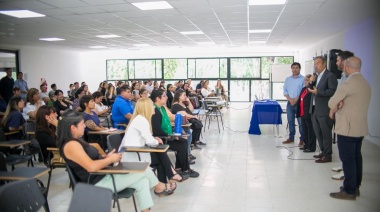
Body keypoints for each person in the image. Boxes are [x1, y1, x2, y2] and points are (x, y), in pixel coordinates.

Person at [58, 110, 175, 212]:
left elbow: (88, 161)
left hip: (104, 176)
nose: (84, 126)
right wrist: (111, 159)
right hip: (97, 184)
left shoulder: (76, 142)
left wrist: (105, 158)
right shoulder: (71, 145)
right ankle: (159, 186)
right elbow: (91, 167)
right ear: (72, 128)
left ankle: (147, 207)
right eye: (82, 124)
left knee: (143, 181)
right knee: (143, 171)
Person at [328, 56, 370, 200]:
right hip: (360, 127)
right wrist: (342, 102)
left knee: (348, 159)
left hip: (347, 127)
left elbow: (332, 102)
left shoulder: (348, 83)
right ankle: (355, 186)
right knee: (356, 157)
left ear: (346, 67)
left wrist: (337, 104)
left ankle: (349, 191)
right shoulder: (365, 83)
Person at [119, 98, 188, 183]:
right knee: (160, 154)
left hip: (137, 152)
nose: (154, 107)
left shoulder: (140, 119)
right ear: (147, 108)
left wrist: (155, 138)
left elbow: (147, 138)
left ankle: (167, 179)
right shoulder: (141, 120)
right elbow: (150, 141)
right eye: (152, 106)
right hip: (134, 154)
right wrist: (156, 141)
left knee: (160, 155)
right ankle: (169, 177)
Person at [150, 89, 199, 178]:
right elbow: (156, 130)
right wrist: (171, 136)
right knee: (181, 145)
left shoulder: (162, 108)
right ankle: (185, 169)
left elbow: (168, 123)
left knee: (183, 141)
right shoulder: (155, 111)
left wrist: (174, 133)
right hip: (161, 139)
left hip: (167, 135)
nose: (167, 97)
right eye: (164, 96)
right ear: (158, 98)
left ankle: (179, 168)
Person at [308, 56, 337, 163]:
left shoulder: (330, 76)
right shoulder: (316, 76)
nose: (315, 66)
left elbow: (332, 91)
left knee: (325, 133)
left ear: (324, 64)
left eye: (318, 63)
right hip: (314, 109)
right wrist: (311, 82)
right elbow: (311, 89)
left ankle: (328, 155)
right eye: (314, 64)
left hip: (325, 109)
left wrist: (318, 92)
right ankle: (323, 151)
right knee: (318, 132)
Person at [332, 50, 355, 181]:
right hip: (341, 114)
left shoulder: (351, 79)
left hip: (347, 116)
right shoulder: (344, 76)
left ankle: (347, 174)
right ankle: (343, 166)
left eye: (338, 60)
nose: (336, 62)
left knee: (348, 148)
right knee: (343, 146)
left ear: (345, 62)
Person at [282, 62, 304, 145]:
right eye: (293, 67)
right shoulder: (288, 79)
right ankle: (291, 138)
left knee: (301, 122)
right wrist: (290, 100)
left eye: (297, 67)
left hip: (299, 104)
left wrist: (295, 100)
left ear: (299, 69)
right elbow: (285, 91)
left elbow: (303, 91)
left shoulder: (303, 79)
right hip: (290, 103)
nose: (295, 69)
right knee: (290, 121)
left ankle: (302, 139)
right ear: (291, 69)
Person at [296, 74, 316, 153]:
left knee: (310, 130)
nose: (305, 82)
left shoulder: (311, 89)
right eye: (305, 80)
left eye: (307, 80)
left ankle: (311, 147)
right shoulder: (303, 89)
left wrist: (311, 82)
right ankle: (306, 145)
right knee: (304, 130)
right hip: (302, 113)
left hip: (308, 113)